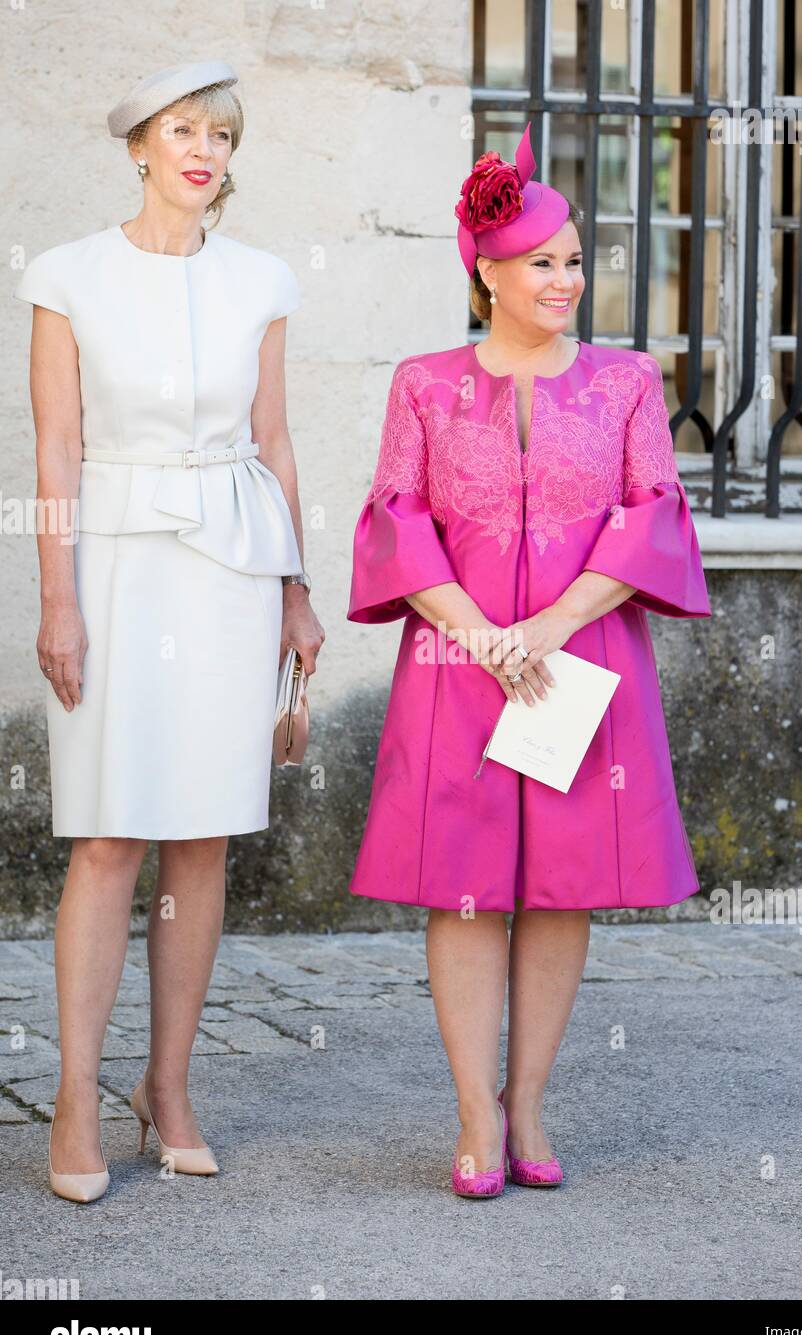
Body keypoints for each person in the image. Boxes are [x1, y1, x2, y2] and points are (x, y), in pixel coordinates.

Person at [347, 124, 711, 1198]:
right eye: (542, 261)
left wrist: (544, 632)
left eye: (572, 259)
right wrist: (477, 633)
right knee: (461, 890)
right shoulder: (422, 383)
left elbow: (655, 516)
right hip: (454, 658)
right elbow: (394, 521)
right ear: (486, 272)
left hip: (577, 652)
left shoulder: (627, 381)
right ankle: (471, 1114)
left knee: (560, 885)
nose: (564, 279)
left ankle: (531, 1105)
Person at [13, 60, 324, 1202]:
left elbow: (278, 442)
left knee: (203, 839)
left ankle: (171, 1088)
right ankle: (79, 1096)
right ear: (138, 145)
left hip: (233, 568)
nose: (203, 149)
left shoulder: (263, 280)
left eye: (222, 134)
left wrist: (295, 588)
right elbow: (53, 451)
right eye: (182, 129)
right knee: (107, 837)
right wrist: (57, 598)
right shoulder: (67, 275)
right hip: (112, 567)